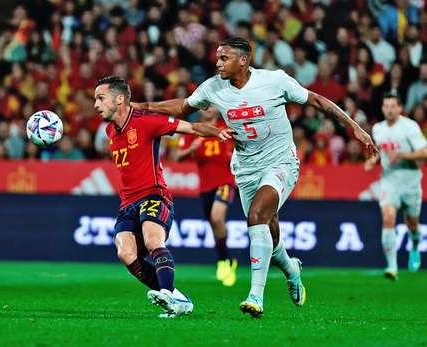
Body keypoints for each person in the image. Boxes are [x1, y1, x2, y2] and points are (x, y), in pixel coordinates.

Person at [133, 37, 378, 318]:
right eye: (218, 57)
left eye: (224, 58)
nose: (217, 63)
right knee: (268, 227)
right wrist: (142, 107)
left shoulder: (275, 81)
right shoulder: (214, 87)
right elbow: (182, 107)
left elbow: (318, 101)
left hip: (281, 162)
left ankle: (255, 297)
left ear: (243, 60)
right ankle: (290, 268)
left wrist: (355, 128)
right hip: (246, 168)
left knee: (257, 217)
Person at [94, 76, 232, 318]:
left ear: (119, 99)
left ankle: (167, 293)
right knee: (125, 253)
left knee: (152, 240)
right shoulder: (109, 130)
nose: (96, 104)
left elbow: (190, 127)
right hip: (128, 203)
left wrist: (216, 133)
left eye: (100, 98)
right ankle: (177, 298)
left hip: (154, 195)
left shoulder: (147, 122)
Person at [365, 93, 426, 280]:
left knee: (412, 224)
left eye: (393, 106)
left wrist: (400, 156)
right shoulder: (378, 129)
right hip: (389, 179)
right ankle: (392, 267)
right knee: (388, 217)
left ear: (400, 108)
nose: (389, 110)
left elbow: (424, 153)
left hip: (410, 179)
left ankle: (414, 247)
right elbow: (381, 150)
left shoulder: (410, 127)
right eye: (386, 106)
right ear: (382, 108)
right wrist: (373, 160)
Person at [176, 107, 238, 287]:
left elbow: (244, 147)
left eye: (211, 105)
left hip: (225, 182)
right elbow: (177, 156)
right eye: (204, 106)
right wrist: (191, 149)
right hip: (205, 188)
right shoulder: (193, 130)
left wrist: (234, 155)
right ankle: (225, 259)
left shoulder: (225, 128)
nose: (208, 109)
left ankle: (223, 262)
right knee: (214, 226)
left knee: (217, 217)